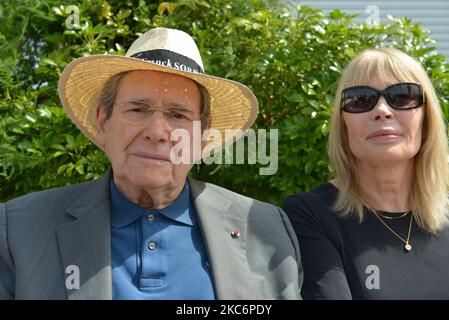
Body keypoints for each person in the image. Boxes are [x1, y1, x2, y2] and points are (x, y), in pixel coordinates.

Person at [0, 27, 302, 299]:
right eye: (138, 109)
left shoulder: (266, 231)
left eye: (178, 115)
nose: (158, 133)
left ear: (203, 137)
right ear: (103, 121)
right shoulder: (20, 230)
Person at [284, 47, 449, 299]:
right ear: (344, 124)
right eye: (360, 99)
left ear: (426, 119)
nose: (382, 110)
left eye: (402, 96)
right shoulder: (311, 216)